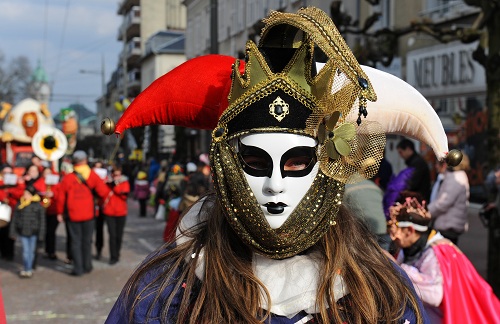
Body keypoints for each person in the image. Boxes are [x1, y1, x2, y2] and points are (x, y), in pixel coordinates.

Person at [103, 7, 448, 323]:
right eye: (254, 161)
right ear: (228, 165)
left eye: (297, 162)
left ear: (328, 167)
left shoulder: (379, 288)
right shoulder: (165, 289)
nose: (274, 185)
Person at [389, 193, 500, 323]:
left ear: (410, 231)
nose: (393, 237)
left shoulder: (436, 253)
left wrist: (403, 274)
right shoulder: (407, 246)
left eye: (395, 230)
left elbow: (436, 296)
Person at [56, 150, 110, 276]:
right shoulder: (93, 175)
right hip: (89, 214)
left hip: (73, 214)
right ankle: (87, 265)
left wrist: (59, 212)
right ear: (85, 160)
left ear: (74, 161)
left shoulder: (68, 177)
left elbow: (60, 197)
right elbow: (104, 192)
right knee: (87, 241)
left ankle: (78, 269)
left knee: (75, 241)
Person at [427, 154, 470, 245]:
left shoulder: (455, 178)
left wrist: (427, 211)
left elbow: (443, 202)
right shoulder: (456, 176)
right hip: (448, 223)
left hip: (448, 225)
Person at [343, 177, 391, 251]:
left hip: (364, 233)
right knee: (384, 260)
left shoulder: (344, 188)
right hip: (382, 230)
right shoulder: (373, 185)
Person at [9, 185, 46, 278]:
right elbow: (15, 219)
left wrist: (41, 234)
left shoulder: (38, 205)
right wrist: (13, 231)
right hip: (23, 232)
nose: (25, 195)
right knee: (26, 251)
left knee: (31, 251)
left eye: (27, 194)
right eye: (24, 193)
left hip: (33, 232)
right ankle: (27, 268)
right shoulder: (20, 204)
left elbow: (42, 221)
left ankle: (29, 268)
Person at [101, 166, 130, 265]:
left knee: (119, 235)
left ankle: (117, 254)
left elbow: (124, 196)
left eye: (118, 174)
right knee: (112, 235)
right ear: (112, 174)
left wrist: (115, 186)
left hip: (121, 212)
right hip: (109, 212)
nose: (117, 176)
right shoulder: (107, 183)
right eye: (115, 174)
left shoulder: (125, 182)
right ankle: (113, 256)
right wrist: (108, 184)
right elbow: (103, 194)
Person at [33, 167, 60, 260]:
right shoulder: (39, 182)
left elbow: (60, 193)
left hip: (53, 210)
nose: (47, 174)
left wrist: (54, 194)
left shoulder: (56, 183)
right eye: (46, 173)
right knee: (44, 231)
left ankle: (51, 251)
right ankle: (45, 250)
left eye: (49, 173)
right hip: (42, 210)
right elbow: (35, 191)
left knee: (51, 231)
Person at [0, 164, 25, 261]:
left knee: (11, 233)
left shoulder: (16, 182)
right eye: (5, 172)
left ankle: (10, 254)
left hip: (12, 211)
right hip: (2, 211)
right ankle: (3, 252)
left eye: (9, 172)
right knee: (2, 233)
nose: (7, 174)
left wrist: (10, 190)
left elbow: (20, 193)